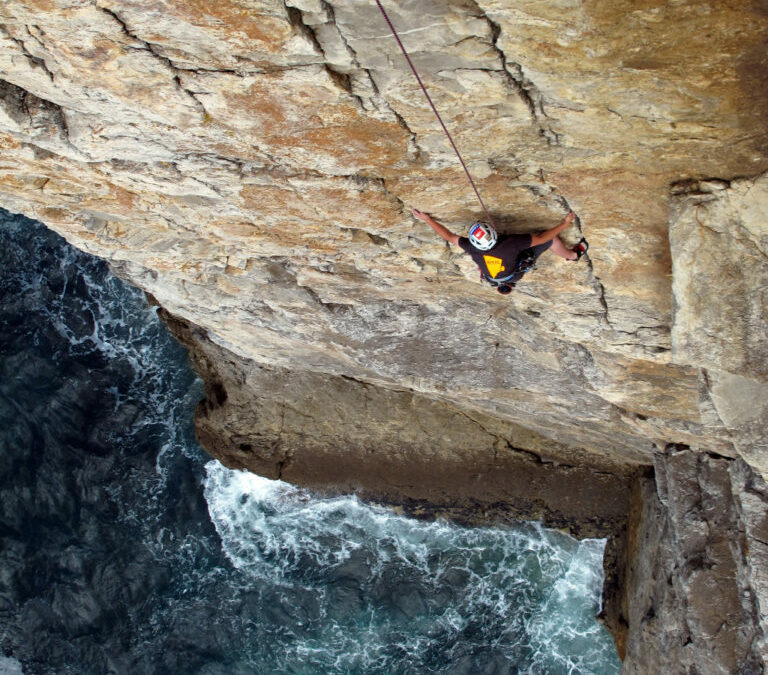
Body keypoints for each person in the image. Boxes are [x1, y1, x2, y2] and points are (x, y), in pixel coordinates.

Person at [411, 209, 588, 294]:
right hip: (508, 274)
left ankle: (505, 285)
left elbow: (449, 236)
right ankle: (572, 256)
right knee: (551, 240)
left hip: (496, 276)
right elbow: (543, 239)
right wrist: (565, 223)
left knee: (500, 270)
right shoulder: (511, 243)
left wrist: (427, 220)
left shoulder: (471, 246)